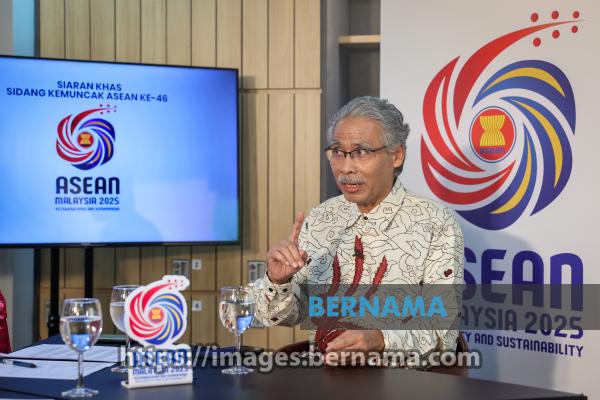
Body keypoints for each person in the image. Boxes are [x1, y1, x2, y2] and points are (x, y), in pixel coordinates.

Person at [253, 96, 464, 364]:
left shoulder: (435, 222)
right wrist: (278, 281)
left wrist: (381, 341)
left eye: (361, 152)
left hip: (402, 380)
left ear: (396, 155)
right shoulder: (322, 218)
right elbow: (283, 315)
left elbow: (444, 334)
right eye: (337, 152)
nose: (345, 167)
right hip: (325, 376)